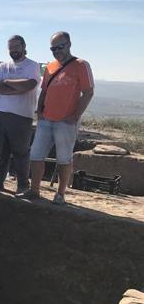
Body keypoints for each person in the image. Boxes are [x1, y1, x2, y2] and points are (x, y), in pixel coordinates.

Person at [21, 31, 94, 205]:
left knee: (63, 159)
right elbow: (44, 90)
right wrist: (39, 111)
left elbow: (88, 92)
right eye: (53, 48)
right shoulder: (50, 67)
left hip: (66, 121)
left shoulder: (81, 65)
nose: (56, 51)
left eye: (59, 47)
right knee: (36, 155)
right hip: (46, 119)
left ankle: (60, 194)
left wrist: (75, 116)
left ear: (69, 44)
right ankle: (34, 191)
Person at [0, 35, 40, 194]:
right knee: (1, 150)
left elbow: (29, 85)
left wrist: (6, 82)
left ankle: (22, 185)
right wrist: (16, 88)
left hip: (21, 114)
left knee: (20, 151)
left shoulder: (32, 66)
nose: (13, 50)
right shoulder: (2, 66)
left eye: (16, 47)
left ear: (23, 46)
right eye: (10, 48)